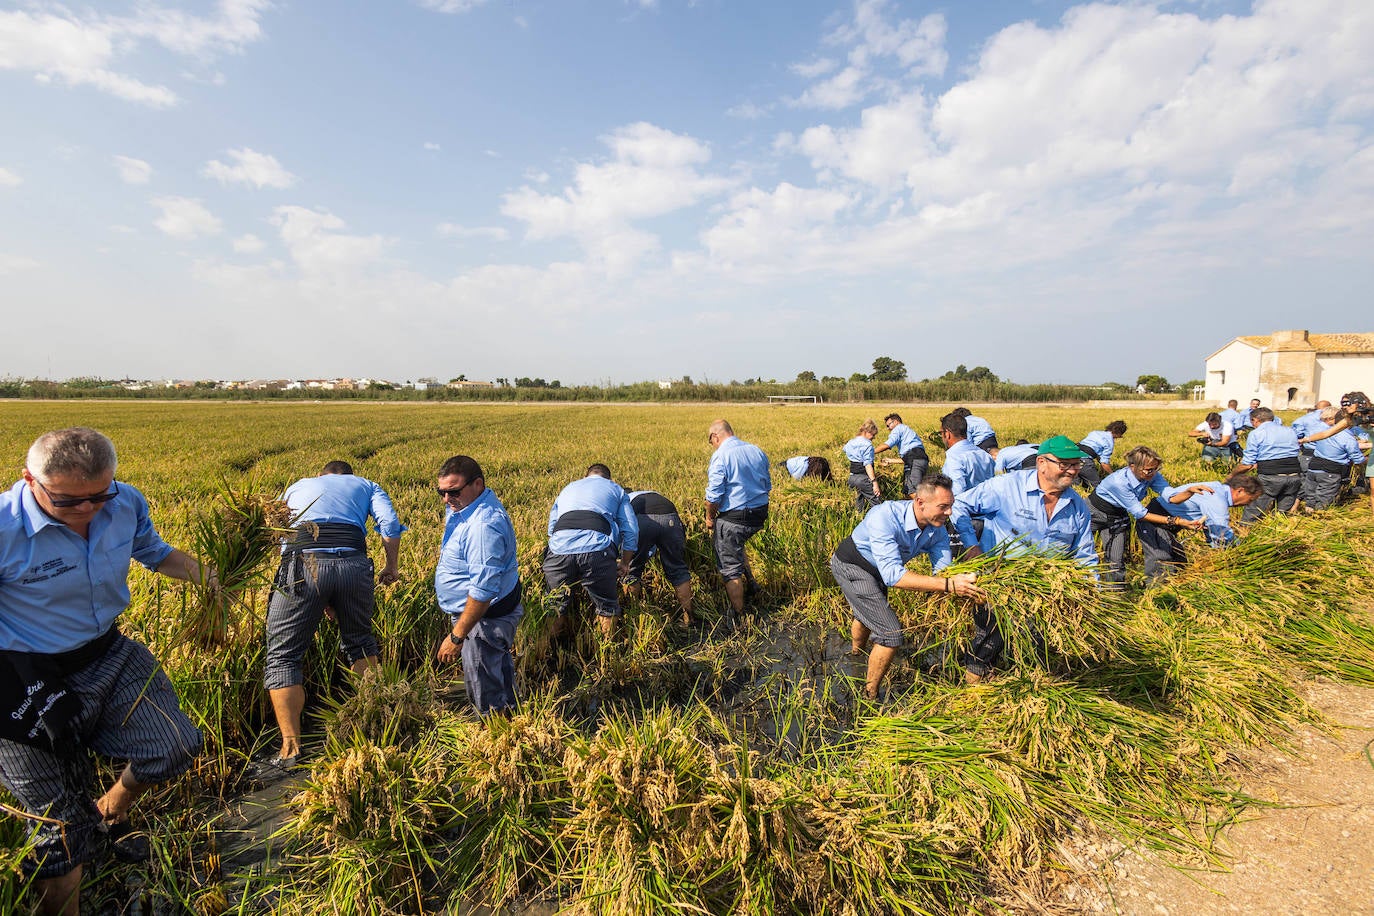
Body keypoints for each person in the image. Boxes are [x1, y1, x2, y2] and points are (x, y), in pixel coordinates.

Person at [0, 428, 210, 915]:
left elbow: (156, 554)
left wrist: (210, 576)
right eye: (69, 501)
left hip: (107, 653)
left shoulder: (125, 502)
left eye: (100, 494)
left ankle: (112, 804)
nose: (88, 509)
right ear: (29, 479)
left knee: (175, 745)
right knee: (58, 828)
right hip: (21, 677)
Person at [258, 460, 404, 777]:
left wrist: (314, 590)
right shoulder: (367, 485)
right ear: (348, 476)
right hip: (353, 565)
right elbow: (389, 526)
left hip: (303, 563)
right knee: (360, 643)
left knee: (283, 655)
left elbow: (281, 532)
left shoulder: (299, 484)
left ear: (321, 474)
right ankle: (374, 730)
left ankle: (290, 751)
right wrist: (391, 568)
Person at [949, 436, 1099, 682]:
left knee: (1035, 640)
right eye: (1065, 464)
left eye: (1077, 465)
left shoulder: (1077, 506)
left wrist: (1093, 593)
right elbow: (959, 506)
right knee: (990, 638)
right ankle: (969, 691)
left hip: (1044, 588)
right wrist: (971, 546)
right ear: (1042, 463)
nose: (1072, 471)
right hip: (1000, 579)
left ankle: (1022, 683)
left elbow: (1085, 554)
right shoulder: (1006, 487)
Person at [829, 474, 985, 699]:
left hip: (879, 570)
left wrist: (962, 584)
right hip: (853, 565)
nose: (949, 513)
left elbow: (942, 572)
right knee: (890, 633)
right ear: (920, 502)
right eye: (943, 507)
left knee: (867, 614)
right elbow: (894, 576)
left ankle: (856, 655)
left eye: (951, 506)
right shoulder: (885, 517)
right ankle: (869, 696)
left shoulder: (937, 529)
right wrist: (950, 585)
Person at [434, 455, 523, 716]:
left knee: (484, 683)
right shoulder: (466, 506)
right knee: (496, 673)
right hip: (480, 618)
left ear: (478, 485)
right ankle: (509, 723)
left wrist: (457, 636)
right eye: (441, 492)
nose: (446, 499)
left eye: (453, 491)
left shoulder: (483, 525)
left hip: (483, 620)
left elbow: (483, 592)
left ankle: (493, 734)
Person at [543, 464, 638, 642]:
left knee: (554, 605)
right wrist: (625, 563)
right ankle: (607, 654)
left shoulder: (569, 487)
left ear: (585, 476)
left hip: (559, 547)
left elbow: (551, 528)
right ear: (609, 478)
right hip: (597, 548)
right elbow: (631, 529)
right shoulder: (615, 489)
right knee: (607, 607)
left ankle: (550, 655)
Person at [1087, 446, 1208, 584]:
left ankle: (1114, 593)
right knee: (1077, 549)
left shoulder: (1152, 475)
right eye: (1149, 470)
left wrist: (1189, 491)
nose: (1153, 473)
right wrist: (1178, 521)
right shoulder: (1119, 482)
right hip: (1094, 513)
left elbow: (1171, 497)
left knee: (1116, 559)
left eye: (1156, 469)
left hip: (1117, 517)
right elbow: (1141, 514)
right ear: (1133, 466)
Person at [704, 420, 771, 620]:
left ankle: (741, 615)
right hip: (759, 514)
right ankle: (752, 584)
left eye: (711, 441)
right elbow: (767, 484)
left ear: (715, 436)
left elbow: (713, 497)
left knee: (729, 566)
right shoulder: (756, 450)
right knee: (737, 543)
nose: (712, 445)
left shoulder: (721, 456)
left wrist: (709, 517)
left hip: (735, 517)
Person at [1137, 475, 1263, 579]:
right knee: (1162, 563)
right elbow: (1220, 535)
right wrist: (1241, 551)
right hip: (1155, 520)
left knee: (1179, 563)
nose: (1248, 504)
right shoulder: (1217, 500)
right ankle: (1157, 598)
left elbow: (1211, 528)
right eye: (1250, 499)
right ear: (1240, 490)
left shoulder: (1217, 488)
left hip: (1169, 522)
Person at [623, 487, 694, 626]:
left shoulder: (625, 501)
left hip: (642, 520)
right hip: (670, 518)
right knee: (678, 570)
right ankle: (689, 618)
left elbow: (627, 534)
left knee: (631, 571)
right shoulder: (653, 494)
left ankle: (635, 618)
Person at [1231, 407, 1303, 524]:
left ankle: (1244, 534)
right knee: (1282, 516)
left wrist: (1232, 476)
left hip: (1271, 476)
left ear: (1255, 420)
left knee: (1254, 511)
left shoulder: (1257, 433)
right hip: (1294, 476)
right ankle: (1279, 537)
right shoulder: (1290, 431)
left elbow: (1247, 464)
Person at [1300, 407, 1367, 510]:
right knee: (1323, 500)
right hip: (1330, 472)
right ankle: (1319, 518)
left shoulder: (1324, 432)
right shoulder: (1348, 438)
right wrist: (1366, 461)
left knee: (1310, 498)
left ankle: (1306, 517)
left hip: (1313, 467)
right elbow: (1357, 459)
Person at [873, 413, 929, 496]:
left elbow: (888, 445)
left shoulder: (898, 428)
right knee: (910, 491)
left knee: (911, 491)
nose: (888, 429)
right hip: (922, 460)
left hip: (914, 461)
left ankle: (927, 508)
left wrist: (871, 452)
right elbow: (912, 457)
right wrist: (890, 461)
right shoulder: (910, 433)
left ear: (895, 422)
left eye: (889, 425)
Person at [843, 419, 883, 511]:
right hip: (863, 478)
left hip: (852, 478)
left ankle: (858, 521)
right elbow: (867, 465)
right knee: (877, 504)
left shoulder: (850, 442)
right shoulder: (867, 445)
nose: (874, 438)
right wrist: (874, 482)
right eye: (873, 435)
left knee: (858, 506)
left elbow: (844, 449)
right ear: (867, 432)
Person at [1076, 420, 1127, 488]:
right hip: (1085, 461)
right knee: (1098, 488)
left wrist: (1101, 468)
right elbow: (1104, 463)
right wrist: (1113, 475)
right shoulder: (1109, 443)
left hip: (1071, 458)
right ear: (1119, 434)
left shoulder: (1094, 433)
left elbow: (1090, 449)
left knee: (1076, 486)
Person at [1289, 400, 1332, 472]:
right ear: (1329, 408)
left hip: (1309, 453)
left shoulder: (1303, 418)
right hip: (1329, 455)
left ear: (1316, 407)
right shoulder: (1334, 418)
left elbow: (1296, 434)